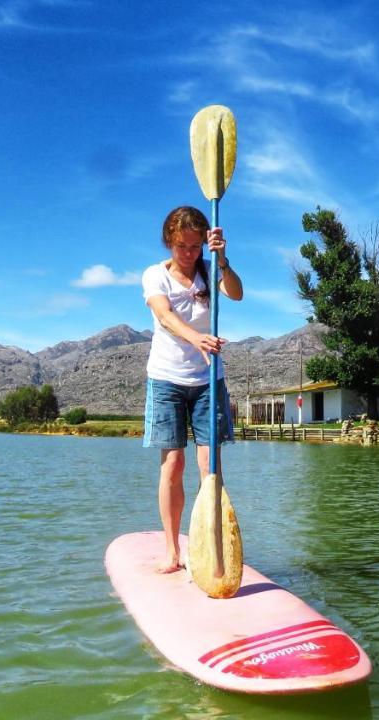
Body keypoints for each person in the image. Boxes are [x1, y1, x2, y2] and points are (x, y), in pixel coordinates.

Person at [141, 205, 244, 573]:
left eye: (195, 246)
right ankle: (172, 552)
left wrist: (222, 259)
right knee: (173, 462)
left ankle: (211, 547)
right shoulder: (155, 275)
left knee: (209, 465)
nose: (189, 253)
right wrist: (197, 338)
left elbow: (236, 294)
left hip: (207, 381)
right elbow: (164, 316)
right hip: (166, 378)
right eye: (182, 246)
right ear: (170, 242)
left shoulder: (209, 269)